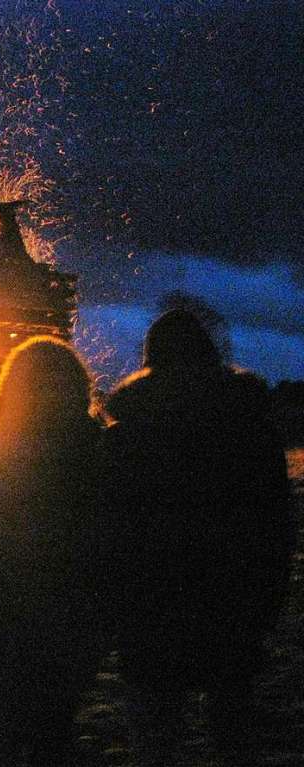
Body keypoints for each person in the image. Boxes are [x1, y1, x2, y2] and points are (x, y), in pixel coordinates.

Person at [104, 309, 296, 758]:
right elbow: (275, 530)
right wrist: (265, 604)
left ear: (151, 359)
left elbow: (109, 532)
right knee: (234, 735)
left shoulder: (126, 438)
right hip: (233, 607)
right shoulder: (252, 434)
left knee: (156, 739)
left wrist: (114, 607)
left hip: (151, 613)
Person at [0, 336, 109, 766]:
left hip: (7, 613)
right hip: (72, 617)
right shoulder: (96, 449)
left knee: (2, 733)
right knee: (57, 733)